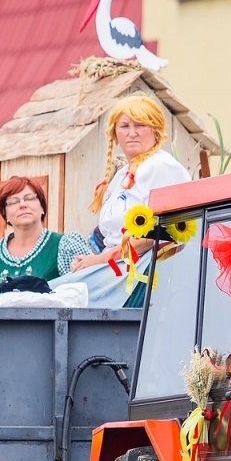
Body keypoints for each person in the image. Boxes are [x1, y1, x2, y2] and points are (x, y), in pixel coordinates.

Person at [61, 95, 190, 305]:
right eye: (124, 126)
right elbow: (107, 235)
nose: (132, 133)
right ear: (114, 133)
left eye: (140, 125)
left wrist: (99, 260)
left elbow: (158, 234)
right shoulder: (121, 176)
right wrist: (86, 260)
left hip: (144, 271)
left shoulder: (161, 167)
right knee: (53, 294)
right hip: (117, 265)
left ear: (156, 129)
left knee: (58, 299)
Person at [0, 176, 94, 300]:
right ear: (5, 214)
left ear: (42, 207)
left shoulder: (65, 246)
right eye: (14, 201)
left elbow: (89, 292)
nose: (22, 205)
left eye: (29, 198)